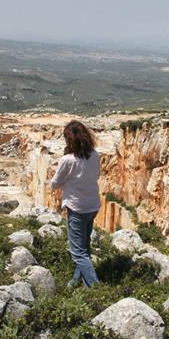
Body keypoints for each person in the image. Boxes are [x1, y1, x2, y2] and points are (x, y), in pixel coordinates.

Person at [50, 120, 101, 288]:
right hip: (92, 206)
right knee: (84, 246)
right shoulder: (95, 154)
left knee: (77, 252)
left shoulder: (67, 160)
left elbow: (55, 183)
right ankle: (77, 280)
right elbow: (96, 175)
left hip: (77, 208)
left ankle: (95, 288)